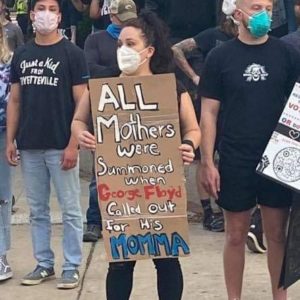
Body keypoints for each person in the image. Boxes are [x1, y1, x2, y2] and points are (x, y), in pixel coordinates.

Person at [72, 11, 201, 300]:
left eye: (131, 44)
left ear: (149, 51)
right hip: (120, 190)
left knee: (167, 259)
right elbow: (78, 121)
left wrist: (189, 145)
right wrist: (82, 134)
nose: (123, 51)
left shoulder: (170, 88)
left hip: (161, 189)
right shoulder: (103, 87)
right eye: (120, 45)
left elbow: (193, 128)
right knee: (119, 263)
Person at [199, 0, 300, 299]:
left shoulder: (287, 53)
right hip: (235, 155)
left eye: (268, 8)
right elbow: (209, 112)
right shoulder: (220, 57)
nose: (264, 15)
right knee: (235, 234)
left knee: (276, 235)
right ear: (238, 12)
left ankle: (279, 296)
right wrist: (207, 161)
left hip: (276, 156)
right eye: (256, 7)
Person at [6, 0, 88, 289]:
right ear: (31, 15)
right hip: (29, 144)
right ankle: (44, 264)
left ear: (60, 16)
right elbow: (15, 99)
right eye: (41, 8)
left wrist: (73, 144)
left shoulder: (73, 54)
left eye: (52, 9)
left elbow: (82, 102)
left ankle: (72, 265)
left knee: (70, 209)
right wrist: (11, 140)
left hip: (60, 143)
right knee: (37, 209)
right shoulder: (22, 54)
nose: (46, 14)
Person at [172, 10, 238, 232]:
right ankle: (208, 212)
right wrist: (194, 76)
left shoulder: (246, 41)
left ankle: (225, 206)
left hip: (233, 107)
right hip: (207, 105)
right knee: (203, 158)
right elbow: (177, 49)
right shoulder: (213, 35)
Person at [82, 0, 137, 242]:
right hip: (104, 113)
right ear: (111, 15)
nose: (126, 23)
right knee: (100, 172)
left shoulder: (141, 38)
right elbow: (91, 70)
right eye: (122, 18)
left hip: (135, 111)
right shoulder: (95, 40)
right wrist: (121, 69)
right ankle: (95, 220)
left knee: (136, 168)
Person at [0, 21, 13, 282]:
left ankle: (1, 255)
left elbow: (13, 100)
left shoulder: (9, 62)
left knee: (1, 198)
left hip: (2, 134)